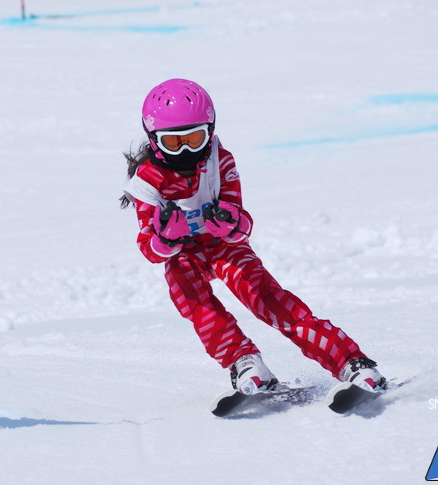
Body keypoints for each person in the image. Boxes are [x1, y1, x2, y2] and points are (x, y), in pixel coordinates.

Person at [120, 78, 386, 395]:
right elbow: (148, 248)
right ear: (153, 139)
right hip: (184, 254)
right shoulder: (147, 181)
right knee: (190, 298)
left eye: (194, 138)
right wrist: (166, 239)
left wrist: (230, 223)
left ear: (210, 130)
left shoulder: (220, 160)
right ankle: (245, 363)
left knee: (266, 298)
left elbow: (243, 222)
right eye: (174, 143)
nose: (187, 151)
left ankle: (351, 362)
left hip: (224, 247)